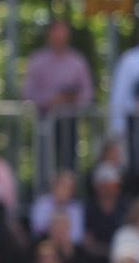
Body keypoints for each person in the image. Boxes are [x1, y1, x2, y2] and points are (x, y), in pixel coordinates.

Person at [24, 19, 94, 173]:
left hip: (70, 122)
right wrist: (50, 100)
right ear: (49, 35)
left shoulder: (77, 62)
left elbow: (87, 93)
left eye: (64, 35)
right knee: (45, 163)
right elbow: (28, 93)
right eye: (57, 35)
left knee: (69, 164)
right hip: (44, 122)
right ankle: (44, 192)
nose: (61, 39)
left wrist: (73, 100)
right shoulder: (38, 60)